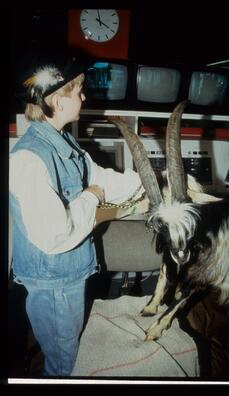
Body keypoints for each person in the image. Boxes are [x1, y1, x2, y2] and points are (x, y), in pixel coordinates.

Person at [9, 53, 146, 377]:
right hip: (54, 282)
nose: (84, 97)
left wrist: (153, 182)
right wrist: (91, 196)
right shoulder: (29, 159)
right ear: (57, 100)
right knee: (63, 363)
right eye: (79, 90)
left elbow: (100, 176)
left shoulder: (62, 141)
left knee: (68, 348)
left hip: (67, 276)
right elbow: (56, 235)